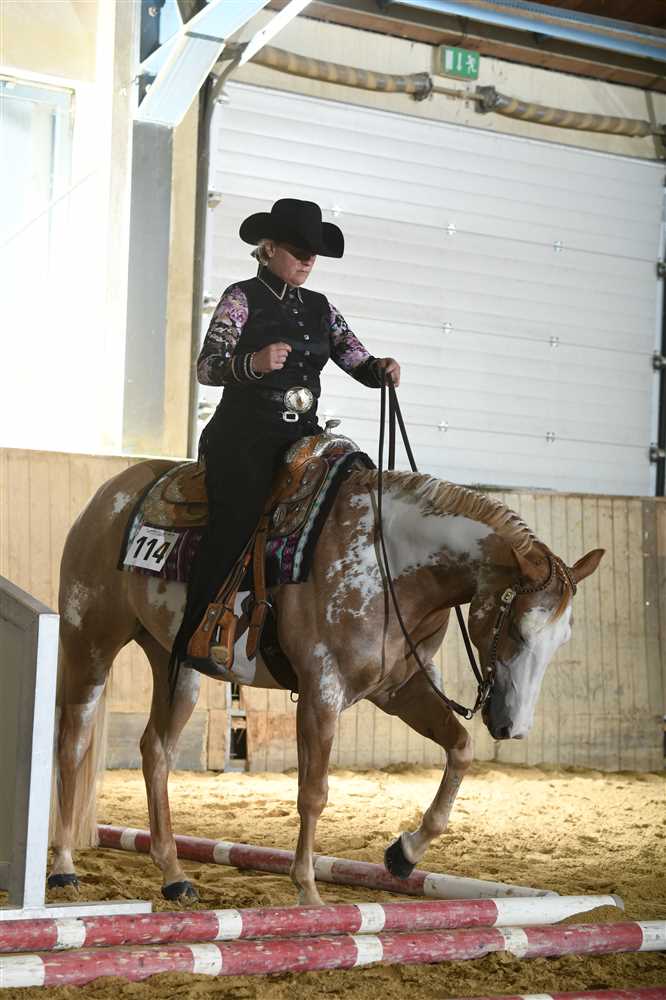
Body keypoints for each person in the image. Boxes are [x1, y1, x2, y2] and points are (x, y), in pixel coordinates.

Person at [173, 198, 400, 673]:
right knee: (236, 518)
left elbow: (355, 358)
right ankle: (196, 634)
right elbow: (207, 367)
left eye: (313, 252)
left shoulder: (321, 308)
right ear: (269, 248)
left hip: (303, 438)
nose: (308, 259)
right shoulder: (240, 298)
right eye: (298, 250)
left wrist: (381, 369)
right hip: (243, 436)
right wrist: (252, 364)